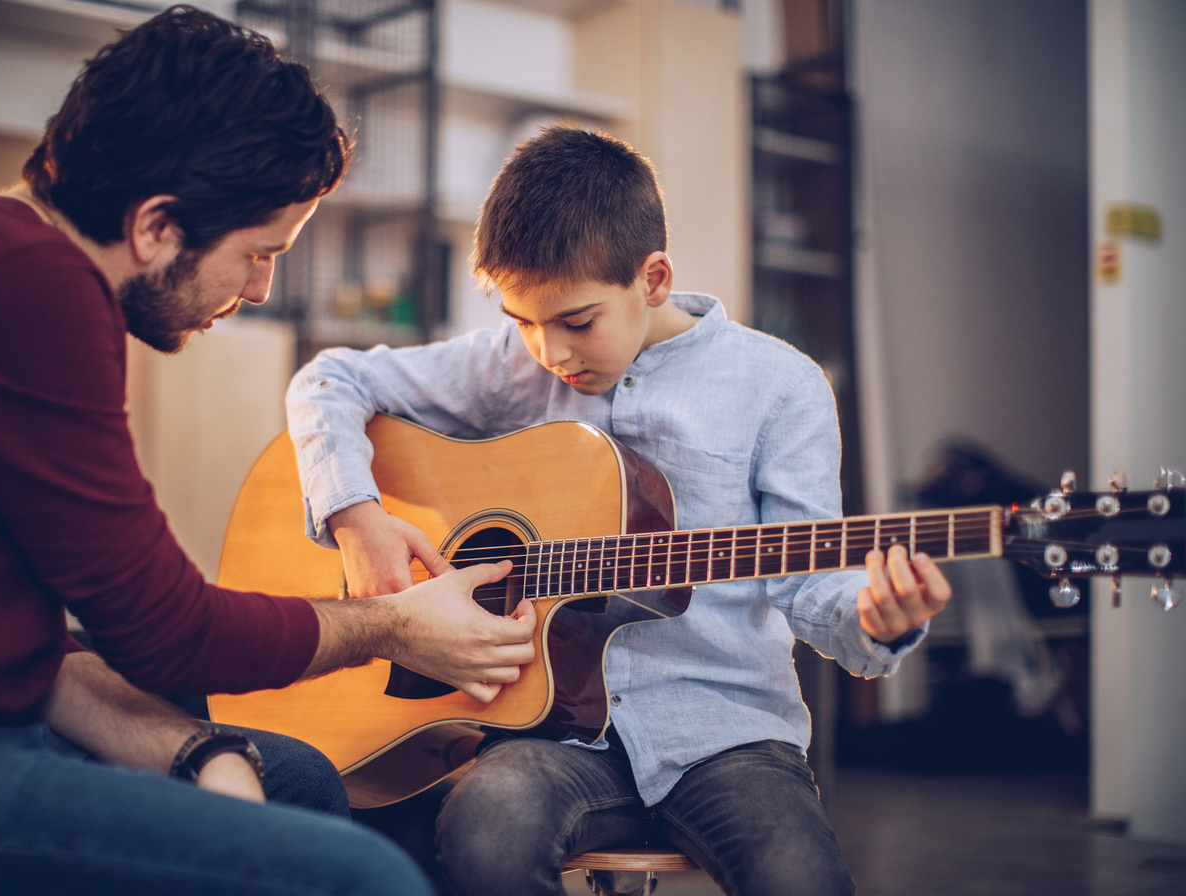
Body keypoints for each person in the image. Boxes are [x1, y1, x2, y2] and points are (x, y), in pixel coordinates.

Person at [0, 7, 535, 895]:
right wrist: (398, 627)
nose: (260, 288)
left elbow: (38, 648)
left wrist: (198, 747)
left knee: (299, 777)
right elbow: (168, 632)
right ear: (157, 228)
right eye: (257, 253)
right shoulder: (24, 284)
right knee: (367, 877)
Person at [284, 126, 954, 896]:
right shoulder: (510, 364)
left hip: (727, 732)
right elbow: (330, 379)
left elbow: (809, 590)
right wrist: (356, 517)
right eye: (522, 321)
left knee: (800, 879)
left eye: (577, 322)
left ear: (655, 278)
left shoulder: (780, 387)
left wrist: (882, 618)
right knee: (487, 829)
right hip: (550, 734)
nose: (549, 353)